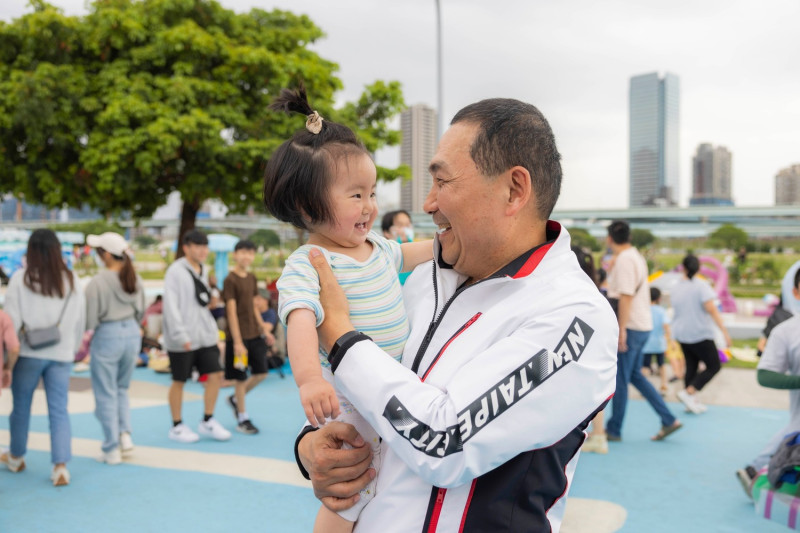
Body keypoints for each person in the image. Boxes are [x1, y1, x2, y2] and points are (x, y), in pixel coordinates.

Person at [295, 97, 618, 532]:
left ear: (514, 189)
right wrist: (312, 447)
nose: (427, 204)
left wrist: (339, 336)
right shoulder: (426, 274)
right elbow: (368, 396)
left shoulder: (574, 317)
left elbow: (443, 442)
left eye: (442, 182)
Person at [263, 86, 434, 533]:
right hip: (350, 398)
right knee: (349, 490)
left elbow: (410, 253)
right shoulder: (309, 263)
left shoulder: (376, 247)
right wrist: (309, 380)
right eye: (355, 195)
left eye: (371, 192)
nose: (370, 206)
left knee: (378, 480)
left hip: (389, 386)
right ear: (307, 207)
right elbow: (299, 319)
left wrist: (447, 244)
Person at [2, 229, 85, 486]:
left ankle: (16, 457)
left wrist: (7, 361)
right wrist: (72, 348)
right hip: (61, 353)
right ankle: (60, 467)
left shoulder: (20, 279)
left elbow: (11, 323)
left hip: (27, 353)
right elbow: (79, 322)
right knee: (59, 410)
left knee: (21, 408)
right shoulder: (72, 280)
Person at [604, 220, 681, 442]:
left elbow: (625, 296)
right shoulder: (633, 256)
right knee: (635, 376)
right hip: (641, 325)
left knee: (620, 379)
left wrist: (621, 331)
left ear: (610, 238)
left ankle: (614, 429)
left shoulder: (626, 260)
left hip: (632, 326)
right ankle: (668, 419)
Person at [162, 229, 231, 443]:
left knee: (215, 375)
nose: (203, 251)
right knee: (179, 380)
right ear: (186, 248)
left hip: (205, 335)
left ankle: (208, 420)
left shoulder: (204, 269)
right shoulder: (175, 271)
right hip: (182, 336)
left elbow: (204, 301)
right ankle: (176, 425)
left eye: (205, 246)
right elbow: (170, 305)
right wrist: (180, 334)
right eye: (198, 246)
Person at [736, 268, 800, 497]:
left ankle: (755, 470)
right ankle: (757, 472)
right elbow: (765, 375)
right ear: (796, 292)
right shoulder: (787, 332)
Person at [84, 232, 146, 464]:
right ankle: (125, 434)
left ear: (107, 255)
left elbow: (90, 319)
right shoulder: (134, 278)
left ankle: (111, 447)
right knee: (121, 388)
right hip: (131, 333)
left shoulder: (98, 282)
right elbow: (141, 311)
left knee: (105, 392)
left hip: (108, 334)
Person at [222, 239, 274, 435]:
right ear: (235, 255)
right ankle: (242, 418)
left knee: (261, 372)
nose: (247, 256)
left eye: (251, 253)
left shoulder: (252, 277)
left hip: (254, 333)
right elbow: (231, 312)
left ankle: (236, 399)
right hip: (238, 338)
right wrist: (236, 342)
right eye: (243, 252)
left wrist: (264, 329)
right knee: (241, 379)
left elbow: (253, 306)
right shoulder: (230, 280)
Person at [671, 254, 732, 414]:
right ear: (698, 268)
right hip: (700, 332)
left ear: (683, 267)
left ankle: (690, 400)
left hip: (682, 332)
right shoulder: (701, 286)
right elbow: (712, 309)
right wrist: (724, 331)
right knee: (714, 365)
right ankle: (689, 392)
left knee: (692, 365)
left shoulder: (676, 286)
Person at [642, 287, 671, 395]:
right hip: (659, 343)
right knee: (661, 365)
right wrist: (669, 340)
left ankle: (645, 388)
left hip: (646, 344)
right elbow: (666, 326)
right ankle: (664, 386)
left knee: (645, 366)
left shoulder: (644, 310)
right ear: (659, 298)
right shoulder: (661, 311)